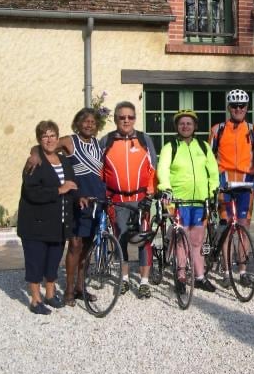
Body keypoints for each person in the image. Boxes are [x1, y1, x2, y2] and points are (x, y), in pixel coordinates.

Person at [24, 109, 105, 306]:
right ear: (77, 124)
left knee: (86, 248)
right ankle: (68, 290)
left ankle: (80, 287)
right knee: (75, 246)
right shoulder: (70, 141)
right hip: (76, 199)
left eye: (92, 122)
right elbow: (44, 146)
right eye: (84, 121)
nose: (88, 124)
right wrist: (34, 155)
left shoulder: (97, 143)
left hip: (96, 200)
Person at [17, 121, 78, 314]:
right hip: (36, 223)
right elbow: (31, 192)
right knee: (35, 261)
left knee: (53, 260)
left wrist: (80, 197)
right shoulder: (34, 161)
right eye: (45, 136)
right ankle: (35, 300)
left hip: (59, 223)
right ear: (39, 140)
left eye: (53, 135)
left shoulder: (64, 161)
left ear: (58, 138)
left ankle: (50, 295)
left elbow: (71, 185)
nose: (49, 139)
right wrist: (60, 189)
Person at [157, 110, 220, 293]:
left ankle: (200, 277)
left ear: (195, 127)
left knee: (197, 240)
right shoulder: (170, 146)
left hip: (200, 200)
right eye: (182, 123)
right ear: (177, 127)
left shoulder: (203, 146)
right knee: (181, 240)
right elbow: (163, 169)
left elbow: (213, 172)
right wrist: (165, 188)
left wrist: (213, 191)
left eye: (189, 123)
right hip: (178, 200)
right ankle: (181, 275)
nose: (185, 126)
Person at [209, 89, 254, 288]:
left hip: (246, 183)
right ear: (229, 108)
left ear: (247, 108)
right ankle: (226, 272)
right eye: (234, 106)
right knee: (226, 229)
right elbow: (210, 157)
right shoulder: (218, 129)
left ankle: (242, 271)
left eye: (242, 106)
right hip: (225, 183)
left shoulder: (253, 129)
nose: (238, 109)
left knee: (243, 229)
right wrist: (214, 179)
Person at [100, 101, 157, 299]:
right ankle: (124, 280)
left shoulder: (144, 139)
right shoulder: (106, 140)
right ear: (115, 119)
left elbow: (153, 170)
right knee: (120, 239)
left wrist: (150, 196)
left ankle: (144, 282)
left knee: (144, 241)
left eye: (130, 117)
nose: (126, 120)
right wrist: (104, 197)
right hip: (117, 200)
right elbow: (100, 172)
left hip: (141, 199)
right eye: (122, 117)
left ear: (135, 118)